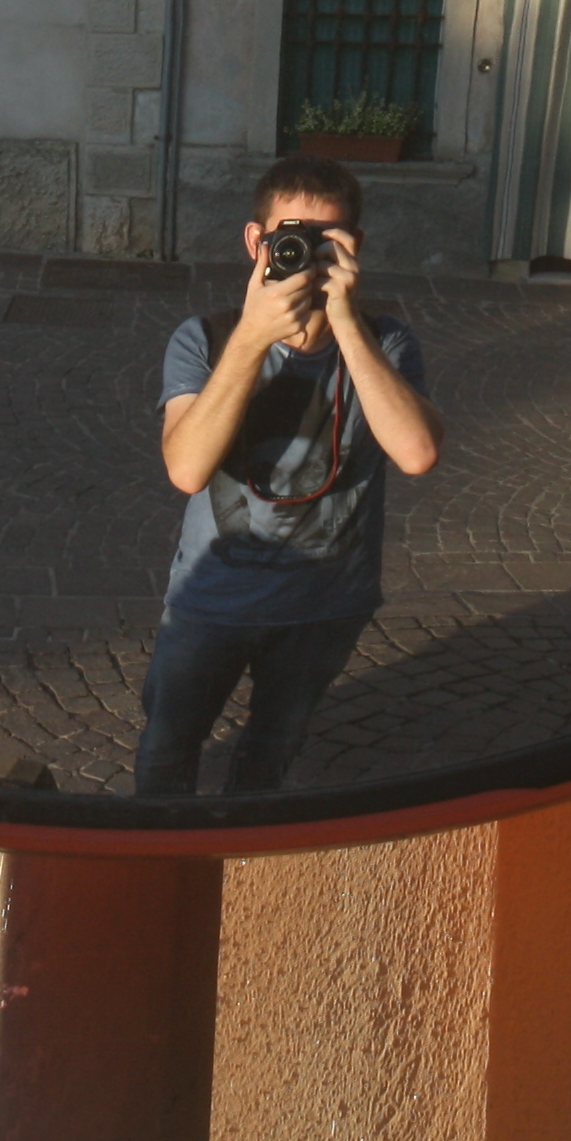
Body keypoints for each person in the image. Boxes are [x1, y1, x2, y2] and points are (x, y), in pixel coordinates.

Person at [133, 156, 443, 797]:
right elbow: (186, 468)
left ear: (354, 248)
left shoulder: (385, 343)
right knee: (166, 753)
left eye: (327, 242)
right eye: (291, 237)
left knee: (269, 754)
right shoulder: (206, 339)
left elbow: (416, 453)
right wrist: (253, 336)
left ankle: (247, 854)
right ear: (257, 241)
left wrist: (346, 324)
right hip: (210, 601)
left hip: (326, 604)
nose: (306, 256)